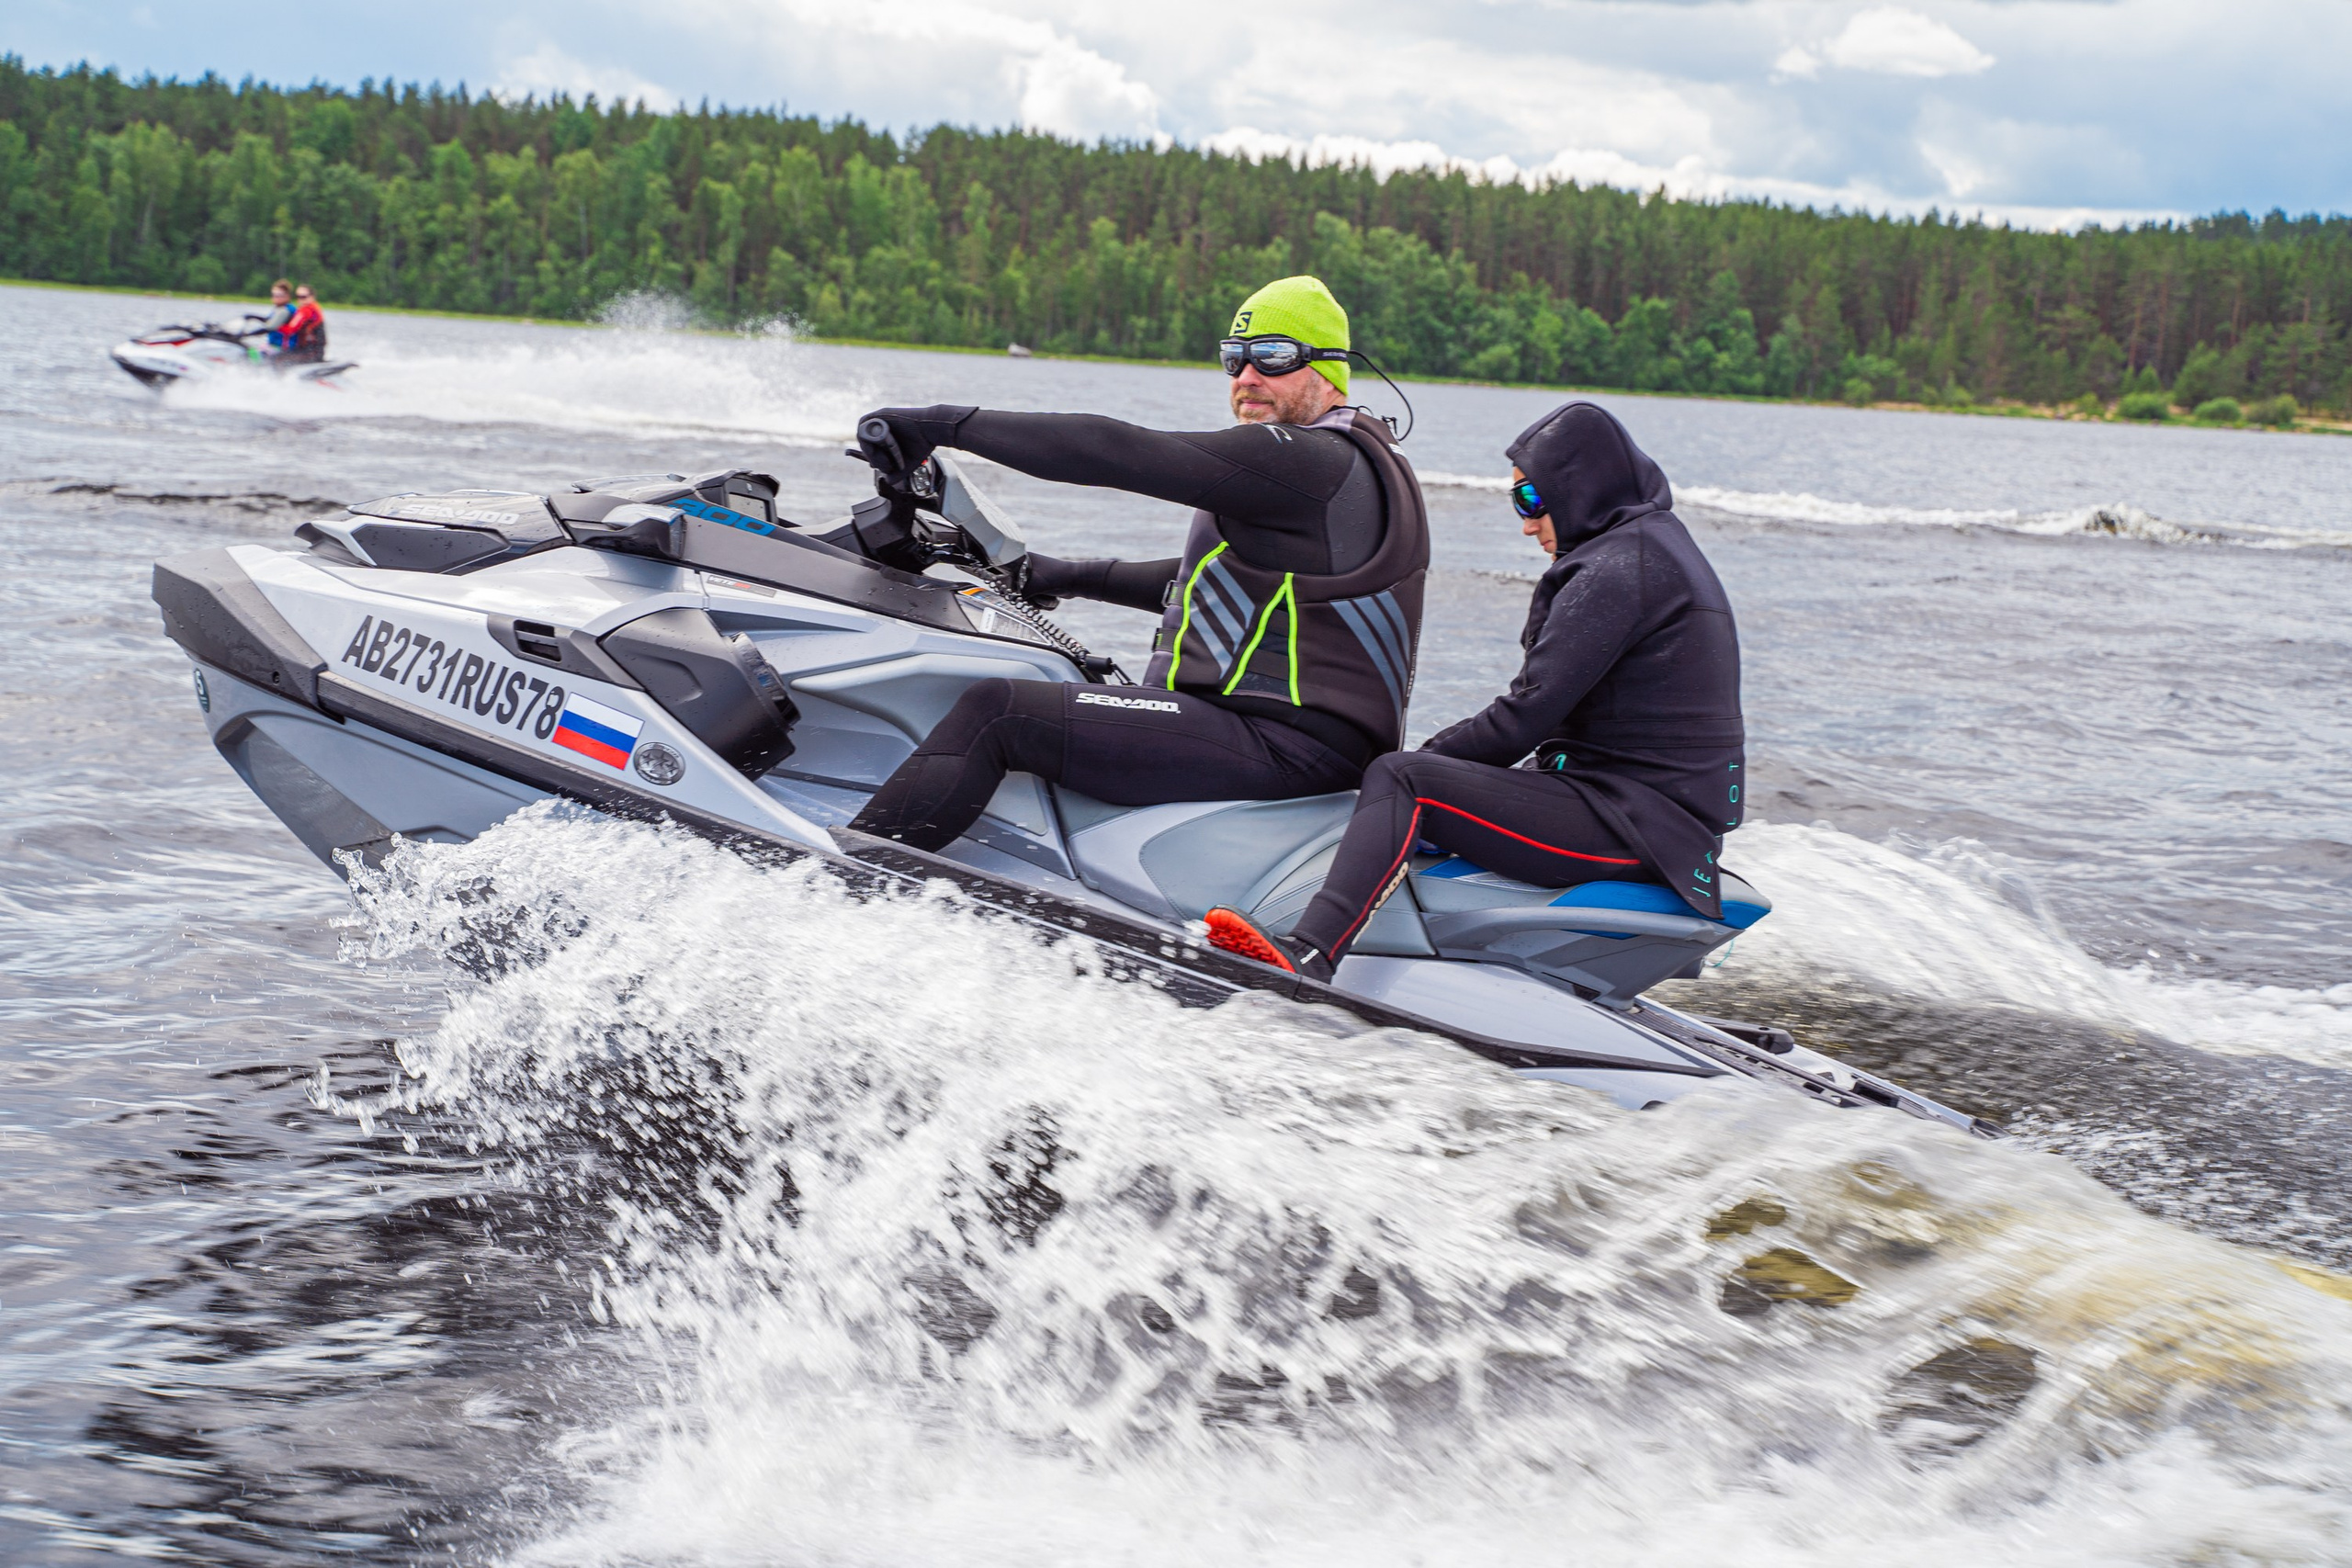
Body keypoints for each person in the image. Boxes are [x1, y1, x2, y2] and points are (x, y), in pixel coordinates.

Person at [843, 275, 1430, 854]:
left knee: (998, 710)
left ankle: (849, 882)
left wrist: (941, 426)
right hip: (1299, 743)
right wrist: (1061, 575)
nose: (1248, 378)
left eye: (1274, 357)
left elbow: (1118, 450)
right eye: (1234, 358)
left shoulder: (1310, 462)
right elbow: (1216, 582)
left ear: (1330, 369)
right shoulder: (1358, 465)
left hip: (1281, 745)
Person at [1203, 401, 1746, 982]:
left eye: (1534, 499)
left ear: (1581, 489)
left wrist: (1404, 765)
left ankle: (1310, 953)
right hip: (1647, 813)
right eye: (1518, 502)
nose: (1527, 523)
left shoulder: (1619, 570)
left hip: (1637, 826)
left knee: (1404, 781)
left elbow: (1525, 716)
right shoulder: (1648, 547)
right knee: (1422, 788)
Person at [279, 285, 327, 364]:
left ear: (312, 297)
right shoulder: (313, 308)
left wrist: (275, 327)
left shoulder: (306, 311)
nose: (300, 300)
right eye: (298, 297)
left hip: (309, 353)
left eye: (303, 297)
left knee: (277, 358)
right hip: (313, 351)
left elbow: (290, 329)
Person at [256, 279, 295, 351]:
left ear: (288, 296)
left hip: (283, 348)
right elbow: (267, 320)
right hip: (274, 345)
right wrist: (250, 317)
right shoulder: (278, 309)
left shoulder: (285, 311)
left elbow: (270, 327)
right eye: (275, 295)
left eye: (280, 295)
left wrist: (247, 334)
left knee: (251, 353)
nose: (276, 298)